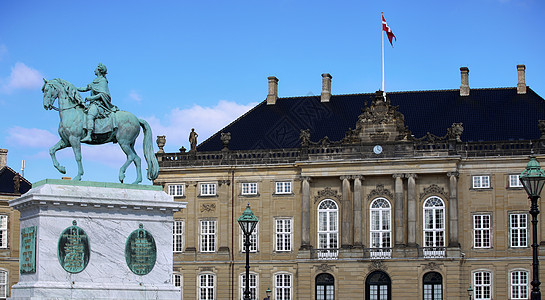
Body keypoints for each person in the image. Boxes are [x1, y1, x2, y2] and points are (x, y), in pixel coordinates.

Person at [78, 63, 118, 142]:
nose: (94, 71)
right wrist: (75, 88)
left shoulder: (103, 81)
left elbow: (103, 94)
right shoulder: (95, 81)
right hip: (93, 103)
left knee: (90, 115)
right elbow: (85, 88)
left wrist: (91, 97)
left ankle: (89, 135)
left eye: (95, 69)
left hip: (99, 104)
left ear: (99, 71)